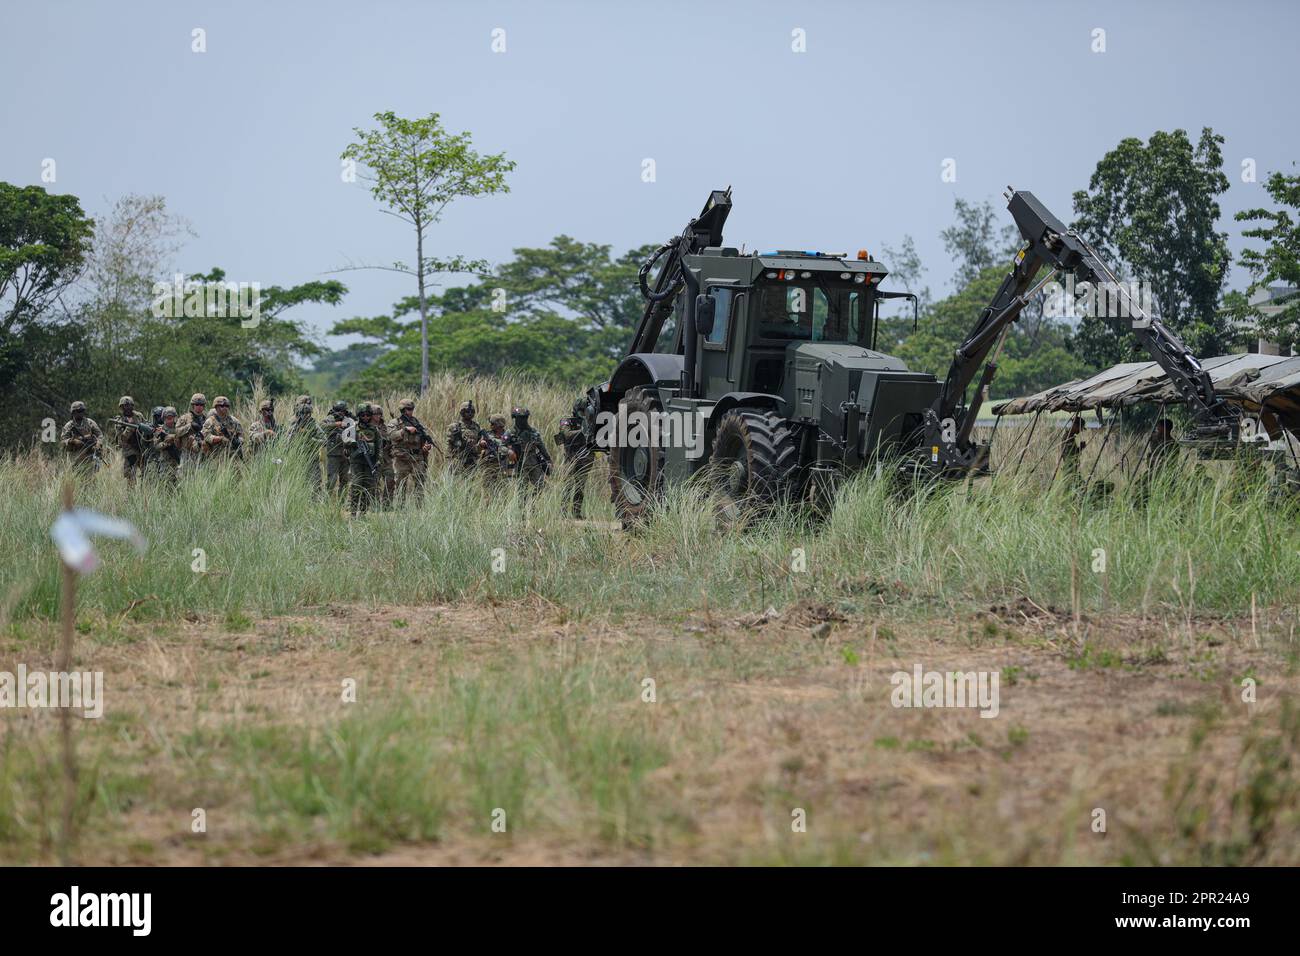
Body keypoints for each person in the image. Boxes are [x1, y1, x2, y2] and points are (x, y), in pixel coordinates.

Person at [554, 398, 595, 518]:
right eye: (581, 410)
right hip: (570, 457)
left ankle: (576, 513)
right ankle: (563, 512)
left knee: (580, 486)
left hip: (585, 458)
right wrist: (582, 431)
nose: (583, 413)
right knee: (568, 485)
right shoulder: (566, 421)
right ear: (576, 410)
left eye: (584, 411)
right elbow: (566, 435)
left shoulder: (589, 422)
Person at [387, 399, 433, 499]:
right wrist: (404, 430)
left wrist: (426, 446)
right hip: (401, 458)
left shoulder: (416, 423)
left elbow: (423, 438)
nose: (410, 411)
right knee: (400, 484)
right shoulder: (395, 422)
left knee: (420, 483)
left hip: (417, 458)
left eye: (412, 409)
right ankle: (400, 509)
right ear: (402, 409)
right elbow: (391, 436)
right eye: (408, 409)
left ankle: (419, 508)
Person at [345, 403, 384, 514]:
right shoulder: (353, 428)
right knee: (356, 485)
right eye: (363, 415)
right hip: (356, 463)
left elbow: (379, 447)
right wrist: (351, 443)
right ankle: (353, 512)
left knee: (369, 488)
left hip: (370, 463)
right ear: (359, 415)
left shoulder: (374, 430)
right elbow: (345, 442)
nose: (365, 418)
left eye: (367, 415)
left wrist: (378, 461)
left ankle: (363, 512)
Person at [286, 395, 326, 492]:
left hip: (312, 458)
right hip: (297, 458)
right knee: (297, 484)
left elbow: (324, 440)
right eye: (304, 413)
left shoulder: (313, 424)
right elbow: (287, 443)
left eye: (308, 413)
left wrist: (310, 439)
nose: (306, 416)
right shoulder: (293, 423)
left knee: (315, 484)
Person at [508, 406, 552, 491]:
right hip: (519, 464)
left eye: (524, 418)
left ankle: (533, 500)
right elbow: (502, 446)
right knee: (521, 489)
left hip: (534, 463)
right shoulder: (510, 433)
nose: (522, 420)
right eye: (520, 418)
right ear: (515, 419)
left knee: (542, 487)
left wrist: (548, 459)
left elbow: (541, 447)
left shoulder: (533, 432)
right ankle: (524, 503)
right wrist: (509, 451)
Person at [110, 395, 150, 483]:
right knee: (130, 475)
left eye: (129, 405)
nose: (127, 408)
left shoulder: (138, 416)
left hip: (141, 448)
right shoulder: (120, 421)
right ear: (121, 407)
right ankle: (131, 495)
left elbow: (146, 425)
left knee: (146, 472)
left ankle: (146, 492)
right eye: (125, 406)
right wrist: (130, 428)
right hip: (129, 451)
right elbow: (122, 438)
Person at [60, 401, 104, 471]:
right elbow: (63, 441)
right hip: (75, 458)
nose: (81, 413)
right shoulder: (69, 426)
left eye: (82, 411)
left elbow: (100, 435)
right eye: (78, 411)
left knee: (91, 478)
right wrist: (73, 441)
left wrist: (99, 443)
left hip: (90, 456)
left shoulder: (90, 422)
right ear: (73, 412)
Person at [201, 395, 244, 461]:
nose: (225, 408)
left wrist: (238, 441)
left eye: (227, 406)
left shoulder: (234, 421)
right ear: (216, 407)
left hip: (233, 455)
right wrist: (220, 439)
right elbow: (205, 436)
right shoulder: (210, 421)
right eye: (222, 406)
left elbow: (241, 435)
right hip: (216, 455)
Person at [323, 401, 353, 495]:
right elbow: (322, 426)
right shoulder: (330, 418)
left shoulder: (348, 419)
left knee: (345, 479)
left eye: (343, 411)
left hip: (345, 452)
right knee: (332, 479)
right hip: (333, 453)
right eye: (340, 411)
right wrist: (337, 424)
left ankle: (342, 501)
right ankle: (328, 499)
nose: (342, 413)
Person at [446, 400, 483, 472]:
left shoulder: (476, 426)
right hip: (458, 460)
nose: (470, 413)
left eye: (472, 412)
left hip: (472, 460)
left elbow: (478, 442)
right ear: (462, 412)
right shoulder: (454, 427)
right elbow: (449, 444)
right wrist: (450, 460)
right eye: (467, 411)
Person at [176, 393, 208, 472]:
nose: (199, 406)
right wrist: (189, 426)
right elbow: (177, 432)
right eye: (197, 404)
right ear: (193, 405)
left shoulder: (207, 419)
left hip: (202, 452)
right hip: (187, 452)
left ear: (204, 406)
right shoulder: (185, 418)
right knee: (184, 476)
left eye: (201, 404)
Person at [479, 414, 516, 481]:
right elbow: (478, 448)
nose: (490, 425)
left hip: (505, 464)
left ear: (499, 425)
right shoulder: (487, 434)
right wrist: (481, 443)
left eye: (493, 424)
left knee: (505, 484)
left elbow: (513, 449)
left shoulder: (508, 435)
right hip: (489, 464)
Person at [153, 406, 183, 485]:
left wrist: (174, 438)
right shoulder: (160, 430)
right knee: (166, 484)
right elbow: (156, 446)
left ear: (174, 418)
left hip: (179, 460)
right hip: (166, 462)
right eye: (167, 418)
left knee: (179, 483)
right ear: (163, 418)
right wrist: (166, 443)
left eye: (171, 418)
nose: (169, 420)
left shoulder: (179, 429)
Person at [1059, 414, 1086, 481]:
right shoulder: (1068, 437)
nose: (1080, 431)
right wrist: (1080, 448)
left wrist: (1080, 448)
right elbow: (1070, 456)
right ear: (1075, 426)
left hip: (1072, 469)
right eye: (1080, 428)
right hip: (1069, 470)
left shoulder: (1070, 437)